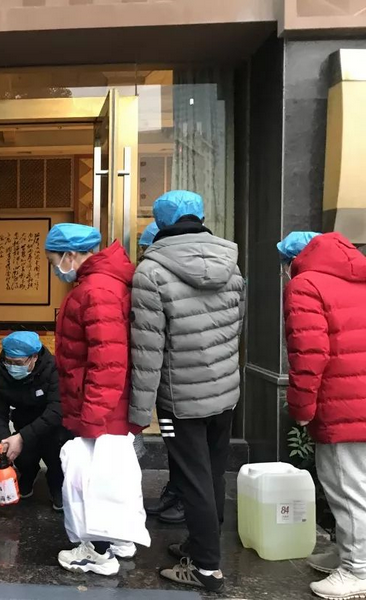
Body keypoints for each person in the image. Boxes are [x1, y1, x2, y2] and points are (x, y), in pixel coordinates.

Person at [128, 190, 245, 593]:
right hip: (224, 390)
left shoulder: (150, 272)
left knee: (192, 479)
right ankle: (202, 545)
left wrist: (138, 413)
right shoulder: (230, 263)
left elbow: (148, 350)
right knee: (212, 473)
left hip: (180, 400)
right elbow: (235, 328)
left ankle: (206, 568)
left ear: (160, 222)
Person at [44, 223, 140, 576]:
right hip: (104, 403)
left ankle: (98, 552)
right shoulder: (101, 283)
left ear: (70, 255)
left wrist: (93, 415)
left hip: (99, 405)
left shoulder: (96, 290)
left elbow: (107, 360)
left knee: (94, 480)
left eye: (55, 261)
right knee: (113, 475)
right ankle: (119, 539)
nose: (56, 269)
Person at [278, 231, 366, 600]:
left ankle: (357, 570)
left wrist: (301, 409)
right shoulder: (359, 278)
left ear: (293, 260)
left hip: (343, 404)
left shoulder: (305, 285)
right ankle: (349, 553)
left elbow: (309, 354)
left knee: (348, 488)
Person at [138, 221, 185, 526]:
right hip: (209, 386)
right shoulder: (225, 268)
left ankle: (183, 498)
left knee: (180, 447)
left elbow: (150, 340)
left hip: (174, 386)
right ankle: (176, 491)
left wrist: (140, 408)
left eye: (144, 248)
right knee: (177, 446)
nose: (143, 255)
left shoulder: (155, 275)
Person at [0, 331, 63, 510]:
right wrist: (5, 441)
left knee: (58, 454)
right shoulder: (2, 375)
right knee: (20, 454)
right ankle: (28, 472)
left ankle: (57, 483)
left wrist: (21, 437)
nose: (12, 367)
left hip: (54, 427)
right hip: (24, 425)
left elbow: (56, 410)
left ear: (34, 357)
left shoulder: (54, 370)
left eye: (19, 363)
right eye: (9, 362)